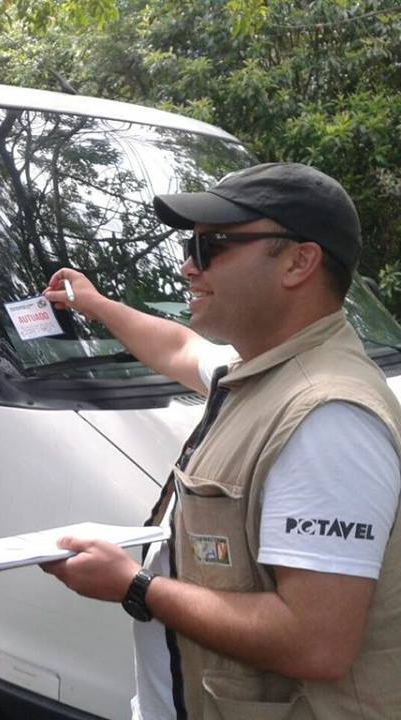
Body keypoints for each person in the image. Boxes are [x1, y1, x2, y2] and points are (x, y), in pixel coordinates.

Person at [41, 163, 401, 719]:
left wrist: (135, 586)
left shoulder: (328, 418)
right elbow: (180, 350)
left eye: (212, 247)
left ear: (299, 262)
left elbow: (316, 642)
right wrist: (96, 305)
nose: (187, 267)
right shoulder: (265, 368)